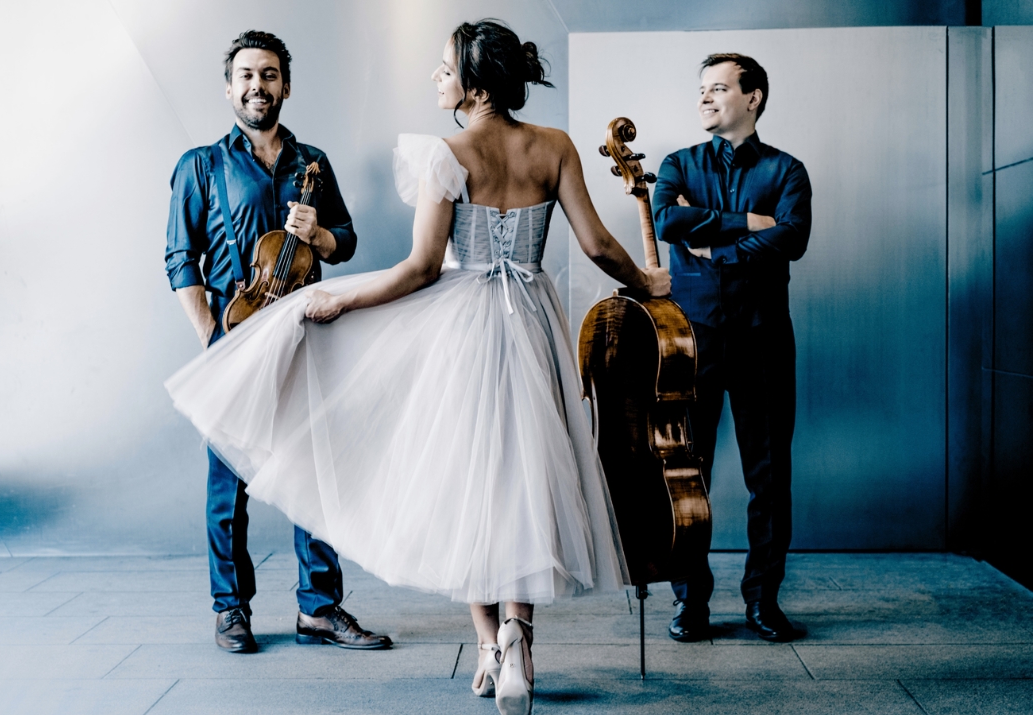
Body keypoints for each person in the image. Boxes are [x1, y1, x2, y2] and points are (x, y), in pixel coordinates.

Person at [166, 20, 668, 715]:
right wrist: (646, 283)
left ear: (475, 83)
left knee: (466, 482)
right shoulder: (554, 148)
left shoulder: (445, 154)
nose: (436, 78)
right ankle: (520, 638)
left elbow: (420, 270)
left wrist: (341, 302)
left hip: (461, 330)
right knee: (524, 475)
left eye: (444, 69)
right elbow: (600, 245)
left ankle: (492, 644)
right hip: (533, 323)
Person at [163, 30, 392, 654]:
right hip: (234, 338)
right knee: (227, 484)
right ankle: (230, 609)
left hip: (306, 337)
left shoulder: (310, 163)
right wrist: (213, 336)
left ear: (285, 85)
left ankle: (319, 610)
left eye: (268, 75)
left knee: (314, 474)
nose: (257, 86)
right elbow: (181, 260)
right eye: (245, 75)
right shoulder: (201, 166)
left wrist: (318, 236)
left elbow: (345, 242)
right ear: (229, 86)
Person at [652, 53, 812, 643]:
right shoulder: (677, 164)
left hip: (765, 341)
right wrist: (747, 222)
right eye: (701, 89)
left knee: (768, 479)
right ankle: (690, 602)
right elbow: (667, 219)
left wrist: (715, 248)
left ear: (755, 97)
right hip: (689, 346)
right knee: (686, 477)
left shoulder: (788, 170)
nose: (705, 98)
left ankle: (763, 602)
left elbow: (792, 237)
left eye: (718, 88)